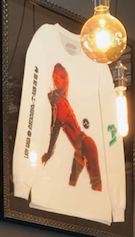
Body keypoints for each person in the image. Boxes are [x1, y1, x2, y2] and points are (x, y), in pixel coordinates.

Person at [41, 63, 102, 191]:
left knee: (96, 185)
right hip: (79, 149)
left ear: (65, 82)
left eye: (61, 77)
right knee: (71, 186)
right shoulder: (58, 102)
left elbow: (55, 130)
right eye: (55, 76)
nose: (57, 78)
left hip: (86, 145)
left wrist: (48, 153)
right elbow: (53, 126)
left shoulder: (62, 103)